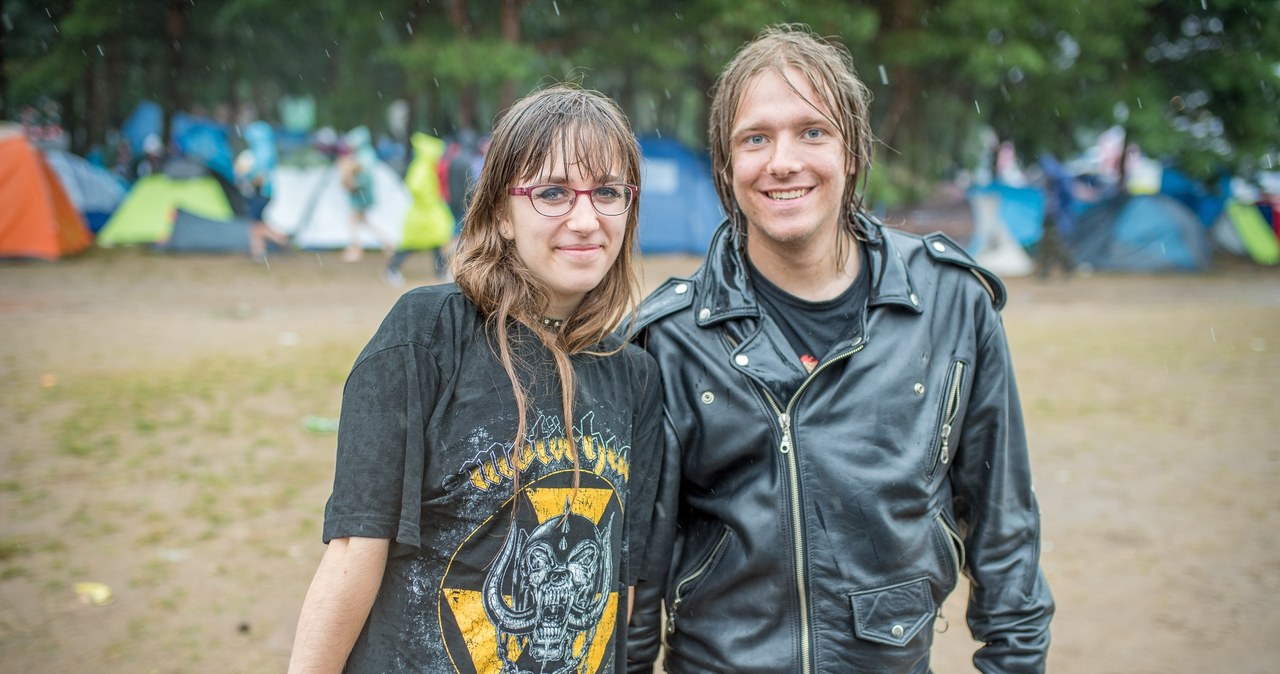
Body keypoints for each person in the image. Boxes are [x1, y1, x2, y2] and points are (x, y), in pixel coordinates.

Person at [626, 24, 1054, 673]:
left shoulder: (950, 304)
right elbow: (634, 581)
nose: (783, 161)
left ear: (852, 150)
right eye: (755, 138)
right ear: (726, 167)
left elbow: (1006, 530)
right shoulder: (672, 337)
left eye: (812, 131)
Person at [289, 83, 662, 674]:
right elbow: (356, 550)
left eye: (608, 193)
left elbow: (621, 585)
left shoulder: (635, 375)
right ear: (500, 216)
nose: (586, 219)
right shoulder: (426, 335)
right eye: (553, 193)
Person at [384, 131, 456, 288]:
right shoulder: (422, 167)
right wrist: (429, 199)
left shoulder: (425, 165)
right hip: (422, 214)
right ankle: (392, 269)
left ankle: (441, 272)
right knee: (412, 244)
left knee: (437, 241)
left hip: (428, 213)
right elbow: (415, 187)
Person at [338, 126, 396, 262]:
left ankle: (356, 249)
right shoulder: (364, 154)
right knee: (363, 222)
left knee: (354, 221)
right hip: (361, 194)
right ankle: (387, 243)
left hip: (361, 195)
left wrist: (353, 183)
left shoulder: (364, 156)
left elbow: (365, 176)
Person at [236, 120, 291, 262]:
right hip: (265, 192)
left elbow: (259, 177)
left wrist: (244, 176)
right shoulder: (266, 150)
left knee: (255, 223)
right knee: (256, 221)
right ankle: (258, 251)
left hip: (261, 192)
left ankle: (279, 241)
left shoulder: (260, 154)